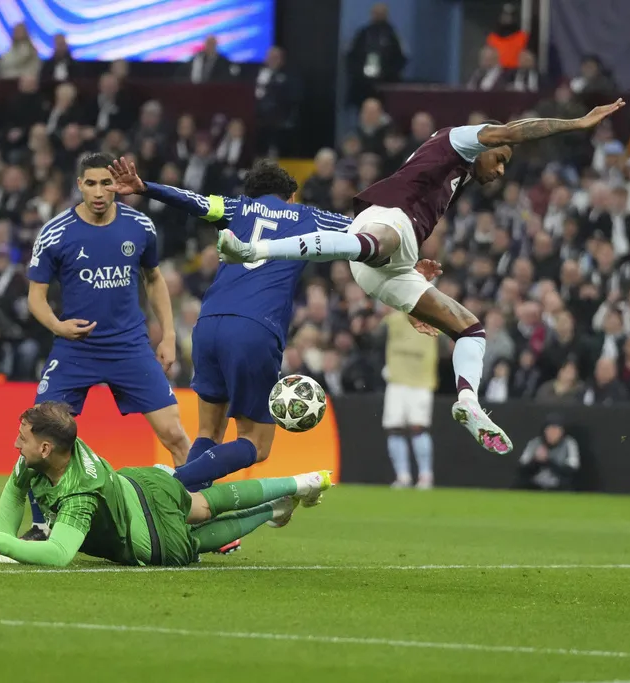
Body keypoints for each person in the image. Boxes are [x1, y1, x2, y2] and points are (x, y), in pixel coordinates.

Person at [214, 99, 628, 455]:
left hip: (391, 268)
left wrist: (411, 283)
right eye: (500, 159)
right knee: (374, 241)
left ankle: (469, 402)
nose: (500, 171)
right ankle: (252, 249)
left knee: (470, 330)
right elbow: (516, 131)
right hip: (384, 222)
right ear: (488, 144)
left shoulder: (455, 174)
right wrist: (576, 124)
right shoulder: (458, 139)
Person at [107, 157, 438, 550]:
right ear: (291, 194)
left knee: (208, 432)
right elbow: (366, 238)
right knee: (257, 445)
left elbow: (191, 200)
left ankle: (181, 505)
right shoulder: (307, 215)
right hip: (254, 329)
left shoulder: (236, 208)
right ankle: (170, 487)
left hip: (208, 324)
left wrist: (146, 187)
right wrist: (411, 273)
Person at [23, 152, 190, 541]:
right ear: (79, 185)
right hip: (75, 349)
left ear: (117, 185)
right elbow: (36, 297)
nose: (100, 192)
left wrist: (167, 336)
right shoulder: (55, 232)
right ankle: (40, 523)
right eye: (91, 183)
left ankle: (199, 515)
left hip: (130, 347)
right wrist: (58, 327)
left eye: (107, 183)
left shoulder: (140, 226)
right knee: (37, 430)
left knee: (176, 435)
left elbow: (154, 280)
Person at [0, 401, 332, 567]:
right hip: (141, 484)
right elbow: (13, 491)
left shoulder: (80, 492)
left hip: (148, 537)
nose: (16, 443)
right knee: (204, 504)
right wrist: (9, 546)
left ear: (44, 447)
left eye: (22, 438)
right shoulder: (55, 447)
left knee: (199, 539)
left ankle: (271, 509)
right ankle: (300, 482)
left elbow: (60, 553)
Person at [380, 309, 438, 489]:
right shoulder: (393, 320)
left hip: (421, 381)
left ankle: (425, 476)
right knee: (394, 428)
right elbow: (373, 336)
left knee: (418, 428)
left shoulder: (432, 318)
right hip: (396, 380)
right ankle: (403, 477)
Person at [514, 414, 580, 491]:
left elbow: (571, 470)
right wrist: (536, 461)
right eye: (550, 430)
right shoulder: (535, 443)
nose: (553, 434)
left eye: (556, 430)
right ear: (545, 431)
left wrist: (548, 461)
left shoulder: (569, 443)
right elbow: (521, 468)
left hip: (559, 487)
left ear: (562, 432)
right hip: (534, 486)